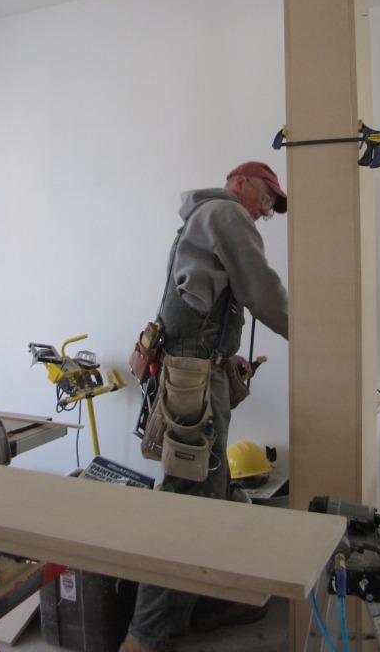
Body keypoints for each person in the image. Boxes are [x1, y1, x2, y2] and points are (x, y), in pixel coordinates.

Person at [120, 162, 289, 652]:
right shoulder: (226, 212)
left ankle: (205, 607)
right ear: (240, 184)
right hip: (195, 381)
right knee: (185, 505)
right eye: (266, 200)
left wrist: (222, 354)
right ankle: (147, 636)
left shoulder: (201, 217)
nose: (266, 212)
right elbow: (262, 290)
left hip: (194, 373)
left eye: (272, 208)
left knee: (210, 494)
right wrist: (313, 333)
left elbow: (196, 304)